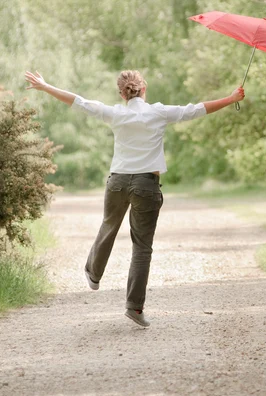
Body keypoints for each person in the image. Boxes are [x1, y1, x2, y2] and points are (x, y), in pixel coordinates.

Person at [25, 70, 245, 327]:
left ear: (122, 94)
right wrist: (230, 99)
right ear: (144, 89)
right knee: (142, 248)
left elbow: (79, 101)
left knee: (109, 225)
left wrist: (45, 86)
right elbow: (195, 110)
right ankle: (134, 308)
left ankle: (93, 274)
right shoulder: (159, 112)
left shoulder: (115, 113)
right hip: (146, 185)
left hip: (117, 182)